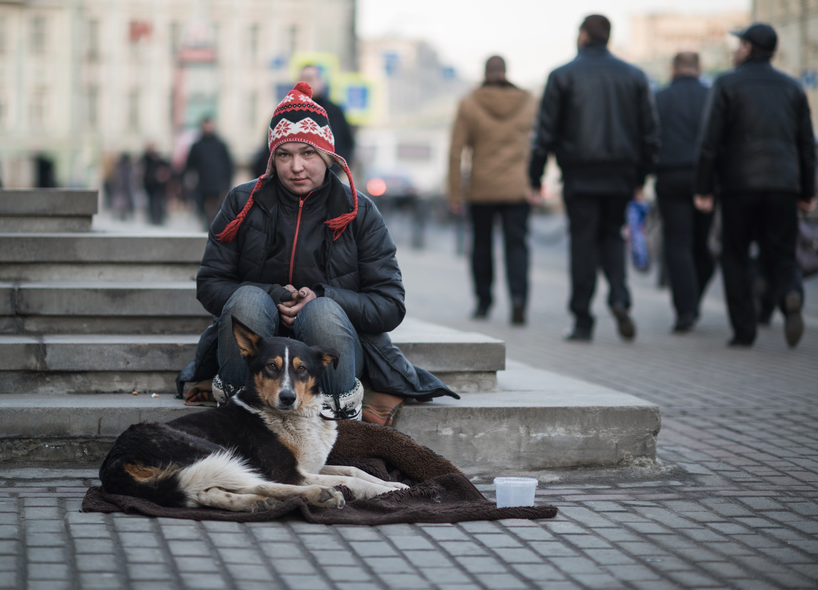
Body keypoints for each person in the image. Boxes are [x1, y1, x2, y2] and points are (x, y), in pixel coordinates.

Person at [177, 81, 457, 426]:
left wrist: (322, 296)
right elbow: (210, 284)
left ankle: (337, 413)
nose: (296, 166)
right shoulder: (242, 202)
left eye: (307, 153)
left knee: (323, 310)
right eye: (284, 154)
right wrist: (273, 294)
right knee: (248, 299)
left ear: (328, 156)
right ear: (272, 158)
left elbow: (389, 305)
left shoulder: (358, 211)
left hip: (329, 347)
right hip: (258, 356)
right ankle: (240, 411)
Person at [528, 14, 659, 342]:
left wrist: (535, 177)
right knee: (613, 238)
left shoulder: (562, 75)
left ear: (584, 36)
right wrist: (640, 178)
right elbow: (650, 134)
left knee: (583, 245)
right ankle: (619, 298)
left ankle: (583, 319)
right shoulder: (635, 76)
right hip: (621, 175)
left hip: (579, 176)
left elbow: (544, 133)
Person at [694, 23, 816, 348]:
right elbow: (807, 145)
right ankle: (791, 293)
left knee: (734, 255)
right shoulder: (792, 87)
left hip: (738, 185)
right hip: (783, 184)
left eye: (738, 45)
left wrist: (703, 188)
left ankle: (744, 331)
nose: (734, 51)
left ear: (748, 48)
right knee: (782, 252)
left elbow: (710, 142)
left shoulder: (726, 83)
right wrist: (807, 192)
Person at [448, 55, 539, 325]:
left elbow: (456, 151)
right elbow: (541, 144)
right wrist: (535, 182)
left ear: (485, 72)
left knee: (481, 246)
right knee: (517, 245)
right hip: (517, 187)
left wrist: (455, 193)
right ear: (506, 72)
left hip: (481, 189)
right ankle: (519, 300)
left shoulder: (469, 103)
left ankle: (483, 302)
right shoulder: (529, 102)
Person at [654, 52, 714, 333]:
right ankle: (695, 299)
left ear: (673, 68)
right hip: (706, 180)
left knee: (677, 244)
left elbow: (648, 137)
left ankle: (685, 310)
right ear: (699, 69)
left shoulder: (660, 98)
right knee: (702, 245)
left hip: (670, 176)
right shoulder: (711, 95)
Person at [184, 117, 234, 230]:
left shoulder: (220, 145)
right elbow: (190, 166)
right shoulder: (197, 146)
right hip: (202, 185)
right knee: (203, 211)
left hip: (217, 185)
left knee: (217, 212)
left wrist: (226, 184)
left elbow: (228, 167)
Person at [299, 65, 355, 165]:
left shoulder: (334, 111)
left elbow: (347, 145)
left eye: (310, 79)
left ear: (320, 81)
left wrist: (336, 170)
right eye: (303, 80)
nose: (307, 83)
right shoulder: (287, 112)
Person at [141, 143, 171, 225]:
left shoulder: (155, 159)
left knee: (157, 202)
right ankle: (155, 218)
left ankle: (157, 218)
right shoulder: (147, 159)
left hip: (156, 185)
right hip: (150, 185)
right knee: (154, 202)